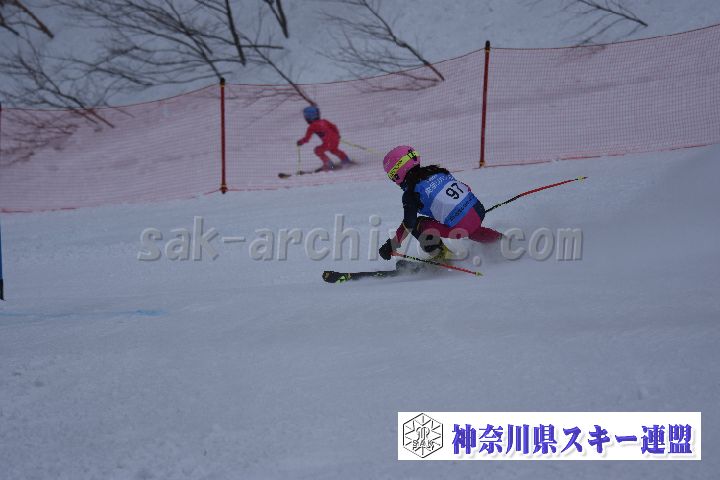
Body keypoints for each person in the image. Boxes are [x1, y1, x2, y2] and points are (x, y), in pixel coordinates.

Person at [378, 145, 502, 261]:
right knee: (471, 228)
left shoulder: (411, 193)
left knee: (417, 224)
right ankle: (502, 241)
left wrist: (391, 245)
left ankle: (443, 257)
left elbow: (408, 224)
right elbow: (466, 188)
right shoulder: (437, 171)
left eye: (392, 176)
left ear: (398, 172)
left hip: (460, 227)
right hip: (478, 210)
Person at [296, 105, 353, 172]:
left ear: (308, 118)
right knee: (334, 150)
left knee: (317, 150)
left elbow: (307, 139)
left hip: (328, 143)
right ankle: (346, 160)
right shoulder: (324, 121)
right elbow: (334, 127)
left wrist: (300, 142)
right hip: (335, 140)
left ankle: (330, 165)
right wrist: (337, 135)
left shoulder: (311, 127)